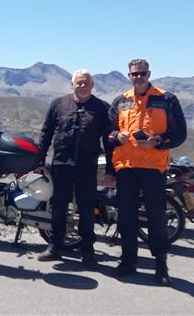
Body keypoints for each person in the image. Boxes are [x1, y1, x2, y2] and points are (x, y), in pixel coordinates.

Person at [109, 58, 186, 285]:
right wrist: (116, 136)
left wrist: (158, 141)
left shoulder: (166, 99)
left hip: (153, 168)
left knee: (156, 218)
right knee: (127, 217)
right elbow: (108, 131)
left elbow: (180, 133)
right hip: (127, 168)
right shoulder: (121, 100)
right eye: (134, 74)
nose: (138, 77)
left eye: (142, 73)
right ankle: (128, 261)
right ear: (129, 76)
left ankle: (161, 265)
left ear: (149, 74)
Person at [35, 69, 114, 267]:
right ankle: (54, 247)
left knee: (87, 210)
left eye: (86, 83)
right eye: (79, 83)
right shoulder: (58, 105)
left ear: (92, 85)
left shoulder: (101, 107)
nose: (82, 86)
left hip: (87, 167)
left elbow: (109, 140)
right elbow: (45, 134)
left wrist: (112, 168)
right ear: (72, 85)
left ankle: (87, 251)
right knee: (59, 207)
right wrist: (38, 161)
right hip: (61, 165)